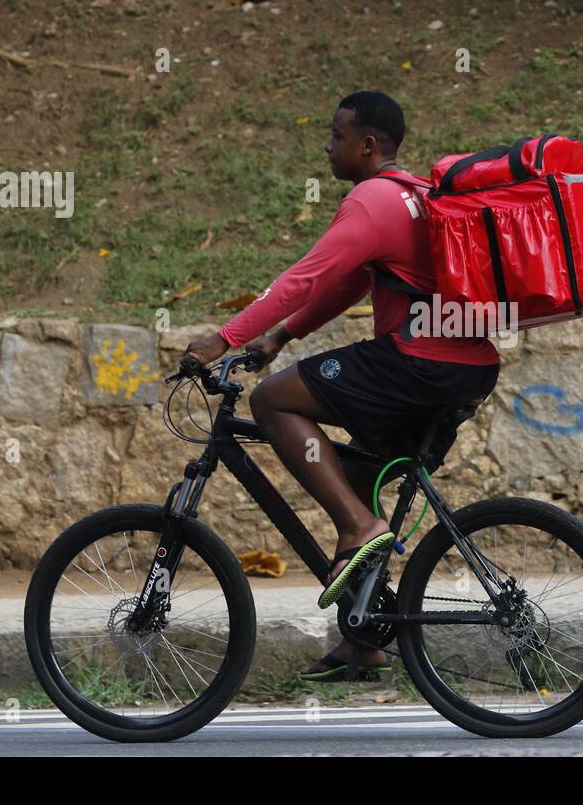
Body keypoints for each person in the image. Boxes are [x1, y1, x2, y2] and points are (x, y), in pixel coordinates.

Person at [180, 90, 500, 680]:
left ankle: (360, 528)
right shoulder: (412, 198)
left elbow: (304, 277)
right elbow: (349, 285)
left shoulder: (371, 201)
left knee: (273, 400)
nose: (328, 148)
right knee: (354, 476)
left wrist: (223, 338)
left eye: (336, 136)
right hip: (466, 365)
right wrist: (280, 337)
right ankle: (365, 638)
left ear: (368, 144)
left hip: (418, 361)